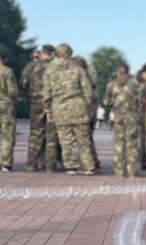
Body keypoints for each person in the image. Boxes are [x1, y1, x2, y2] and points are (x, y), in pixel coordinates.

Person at [43, 44, 95, 175]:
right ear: (70, 54)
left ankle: (71, 167)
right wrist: (88, 106)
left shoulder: (49, 71)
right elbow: (88, 91)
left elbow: (47, 93)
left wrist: (48, 111)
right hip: (78, 107)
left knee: (65, 140)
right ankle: (88, 166)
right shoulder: (78, 70)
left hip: (60, 108)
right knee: (83, 139)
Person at [21, 45, 59, 172]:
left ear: (42, 53)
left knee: (35, 134)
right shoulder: (56, 66)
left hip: (36, 103)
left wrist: (31, 95)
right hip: (53, 104)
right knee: (52, 136)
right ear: (52, 53)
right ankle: (50, 165)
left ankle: (31, 164)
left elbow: (23, 83)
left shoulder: (31, 66)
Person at [103, 63, 140, 177]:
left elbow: (106, 102)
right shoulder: (135, 84)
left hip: (118, 117)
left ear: (117, 72)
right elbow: (142, 101)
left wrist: (114, 102)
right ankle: (133, 171)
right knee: (132, 143)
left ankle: (120, 171)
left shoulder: (111, 85)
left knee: (119, 144)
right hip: (132, 117)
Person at [72, 56, 100, 170]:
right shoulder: (91, 78)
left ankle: (88, 163)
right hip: (91, 110)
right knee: (88, 137)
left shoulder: (83, 79)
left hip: (84, 111)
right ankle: (94, 161)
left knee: (83, 138)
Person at [0, 45, 17, 173]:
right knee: (7, 135)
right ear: (4, 58)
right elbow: (12, 91)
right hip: (5, 105)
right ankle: (5, 164)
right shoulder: (7, 71)